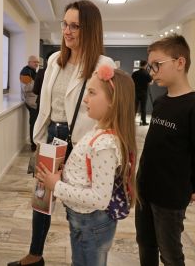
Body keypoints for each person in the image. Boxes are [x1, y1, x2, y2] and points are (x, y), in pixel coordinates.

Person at [8, 0, 116, 266]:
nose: (67, 31)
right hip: (52, 134)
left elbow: (106, 106)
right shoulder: (56, 59)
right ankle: (35, 254)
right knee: (42, 195)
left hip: (79, 139)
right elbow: (46, 102)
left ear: (90, 29)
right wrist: (38, 138)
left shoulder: (102, 63)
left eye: (75, 26)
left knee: (73, 200)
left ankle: (81, 255)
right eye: (65, 24)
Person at [36, 66, 137, 266]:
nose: (85, 99)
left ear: (112, 101)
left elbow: (100, 199)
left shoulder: (105, 145)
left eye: (92, 93)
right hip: (82, 221)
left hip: (92, 223)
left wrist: (57, 186)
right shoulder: (97, 131)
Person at [135, 34, 195, 266]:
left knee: (170, 253)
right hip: (145, 190)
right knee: (145, 243)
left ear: (180, 63)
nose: (152, 72)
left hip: (170, 198)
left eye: (157, 65)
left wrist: (191, 185)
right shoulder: (161, 103)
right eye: (151, 66)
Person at [20, 55, 39, 151]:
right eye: (35, 62)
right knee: (34, 123)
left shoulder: (32, 72)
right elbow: (26, 88)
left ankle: (35, 142)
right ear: (29, 62)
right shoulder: (25, 72)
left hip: (35, 102)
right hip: (31, 102)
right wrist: (38, 82)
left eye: (37, 62)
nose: (37, 64)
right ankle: (33, 144)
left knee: (36, 123)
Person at [132, 60, 153, 125]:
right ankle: (143, 122)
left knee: (134, 108)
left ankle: (132, 122)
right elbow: (151, 82)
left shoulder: (135, 73)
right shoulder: (146, 73)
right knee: (143, 108)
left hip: (135, 93)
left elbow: (131, 82)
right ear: (146, 65)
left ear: (140, 65)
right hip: (143, 93)